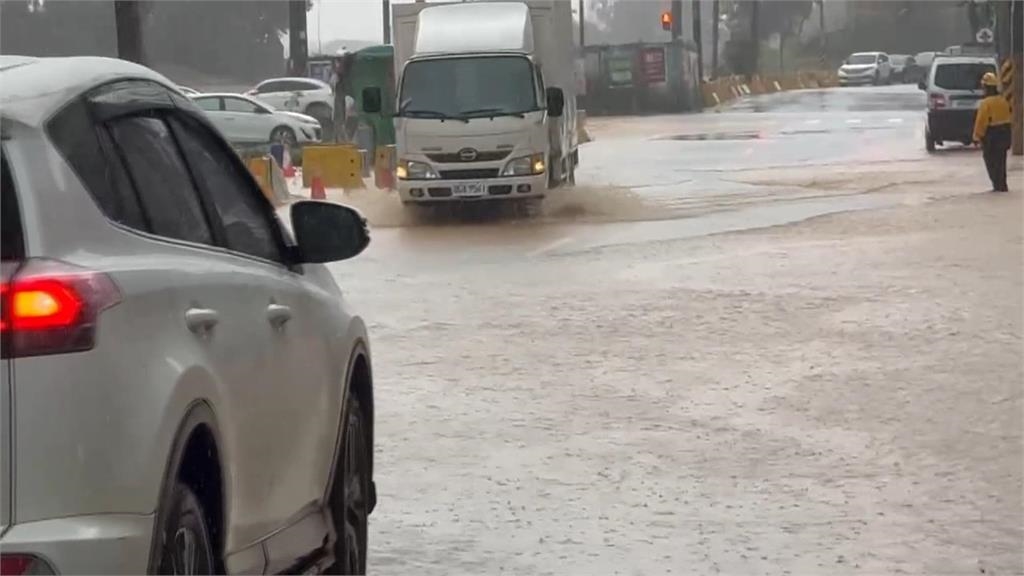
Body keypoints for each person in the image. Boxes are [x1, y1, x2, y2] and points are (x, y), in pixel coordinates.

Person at [973, 72, 1013, 192]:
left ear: (986, 87)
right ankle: (1002, 184)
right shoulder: (1003, 100)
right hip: (1005, 133)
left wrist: (977, 136)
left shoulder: (986, 103)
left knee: (990, 160)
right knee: (1001, 161)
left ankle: (997, 184)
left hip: (991, 135)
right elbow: (1010, 115)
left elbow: (981, 121)